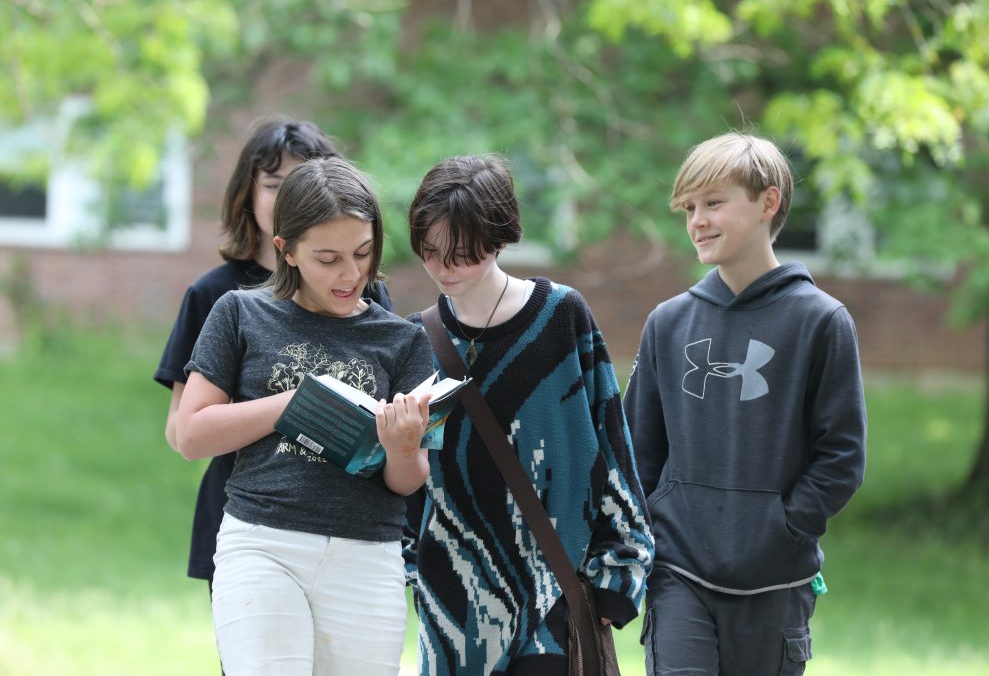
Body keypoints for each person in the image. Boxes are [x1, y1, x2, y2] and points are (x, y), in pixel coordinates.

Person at [174, 155, 433, 674]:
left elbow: (407, 483)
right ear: (285, 250)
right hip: (263, 545)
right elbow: (190, 435)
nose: (350, 274)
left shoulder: (403, 340)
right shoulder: (239, 312)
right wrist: (293, 403)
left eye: (362, 253)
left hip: (369, 557)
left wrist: (403, 447)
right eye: (328, 258)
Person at [623, 132, 867, 676]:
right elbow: (638, 451)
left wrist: (780, 527)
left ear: (768, 202)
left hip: (776, 582)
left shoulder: (821, 322)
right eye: (689, 207)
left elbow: (842, 459)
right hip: (678, 570)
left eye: (714, 202)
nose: (697, 221)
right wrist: (650, 532)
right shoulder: (669, 323)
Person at [404, 153, 654, 675]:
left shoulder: (560, 317)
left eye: (461, 254)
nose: (442, 269)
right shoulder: (415, 339)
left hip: (553, 599)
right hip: (452, 610)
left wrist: (619, 572)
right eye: (429, 252)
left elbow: (612, 444)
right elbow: (412, 477)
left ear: (499, 238)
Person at [153, 118, 393, 599]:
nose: (290, 198)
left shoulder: (366, 291)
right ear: (247, 192)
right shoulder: (216, 296)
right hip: (247, 529)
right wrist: (291, 406)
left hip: (349, 534)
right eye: (274, 184)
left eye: (304, 182)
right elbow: (182, 430)